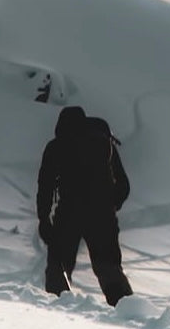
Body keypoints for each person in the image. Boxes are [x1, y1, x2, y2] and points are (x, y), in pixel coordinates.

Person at [36, 106, 133, 306]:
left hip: (68, 214)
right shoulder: (103, 143)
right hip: (103, 216)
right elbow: (123, 185)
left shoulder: (56, 146)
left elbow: (45, 187)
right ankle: (127, 312)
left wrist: (44, 219)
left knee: (58, 267)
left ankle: (58, 310)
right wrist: (110, 204)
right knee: (109, 268)